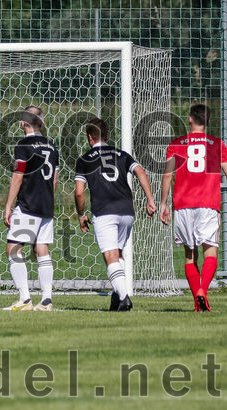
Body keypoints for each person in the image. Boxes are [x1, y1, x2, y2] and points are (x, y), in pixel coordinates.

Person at [160, 104, 227, 312]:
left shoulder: (177, 144)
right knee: (211, 254)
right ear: (208, 122)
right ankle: (202, 291)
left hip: (183, 205)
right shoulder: (216, 145)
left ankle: (198, 298)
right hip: (208, 204)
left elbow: (168, 175)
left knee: (190, 256)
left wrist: (163, 204)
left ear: (190, 119)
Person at [73, 118, 157, 311]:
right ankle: (116, 297)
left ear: (89, 137)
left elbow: (79, 192)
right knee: (117, 253)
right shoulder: (122, 154)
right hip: (127, 211)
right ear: (107, 135)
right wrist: (150, 199)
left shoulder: (84, 159)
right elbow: (140, 172)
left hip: (105, 212)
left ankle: (125, 298)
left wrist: (81, 214)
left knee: (110, 256)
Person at [3, 106, 59, 311]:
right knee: (42, 250)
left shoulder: (23, 145)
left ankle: (25, 299)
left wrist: (8, 206)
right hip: (47, 205)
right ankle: (46, 300)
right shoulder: (52, 146)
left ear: (22, 123)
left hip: (28, 205)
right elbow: (54, 179)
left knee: (14, 249)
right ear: (41, 123)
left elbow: (18, 176)